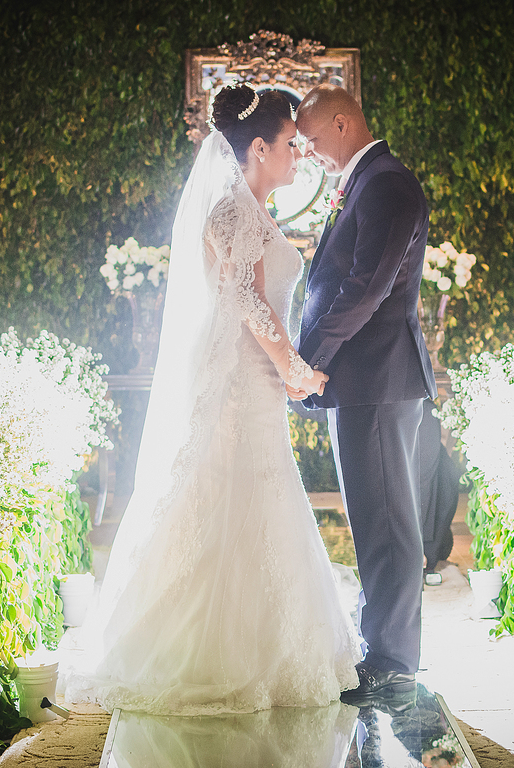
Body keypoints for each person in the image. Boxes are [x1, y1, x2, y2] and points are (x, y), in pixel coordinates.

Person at [61, 84, 359, 715]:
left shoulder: (253, 208)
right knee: (228, 495)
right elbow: (247, 300)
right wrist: (293, 367)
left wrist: (286, 366)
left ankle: (263, 641)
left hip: (256, 380)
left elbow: (260, 297)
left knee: (256, 494)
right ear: (260, 148)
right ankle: (208, 651)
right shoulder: (232, 210)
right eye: (290, 144)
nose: (299, 155)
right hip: (238, 382)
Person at [294, 85, 437, 707]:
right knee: (373, 518)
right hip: (365, 382)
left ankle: (394, 661)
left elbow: (366, 287)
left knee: (388, 523)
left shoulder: (386, 184)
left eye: (312, 139)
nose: (308, 152)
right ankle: (381, 645)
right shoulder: (367, 182)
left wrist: (308, 359)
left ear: (342, 121)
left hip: (378, 379)